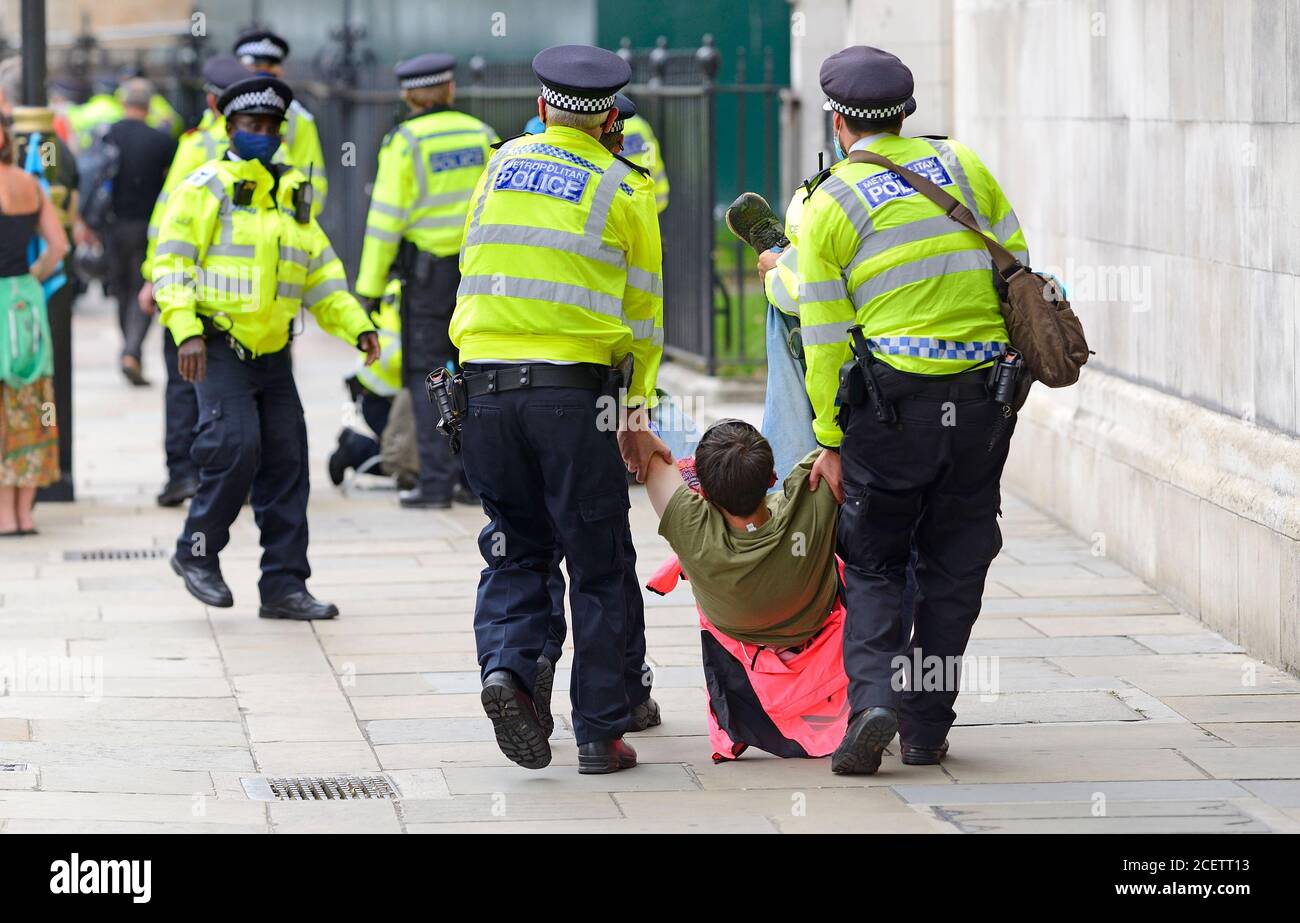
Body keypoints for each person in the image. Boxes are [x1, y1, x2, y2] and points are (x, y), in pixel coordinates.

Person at [795, 46, 1030, 774]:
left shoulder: (829, 201)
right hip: (982, 404)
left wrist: (830, 439)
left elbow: (827, 336)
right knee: (956, 561)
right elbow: (1016, 266)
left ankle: (872, 703)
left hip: (891, 411)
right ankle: (927, 728)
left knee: (872, 560)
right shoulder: (964, 165)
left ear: (838, 124)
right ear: (905, 114)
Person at [451, 44, 666, 774]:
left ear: (543, 109)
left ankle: (508, 670)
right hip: (573, 399)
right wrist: (637, 416)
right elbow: (644, 321)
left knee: (515, 542)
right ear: (610, 117)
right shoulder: (625, 189)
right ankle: (600, 734)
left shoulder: (498, 164)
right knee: (598, 560)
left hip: (480, 391)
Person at [153, 76, 379, 619]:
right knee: (235, 447)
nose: (263, 135)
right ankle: (196, 551)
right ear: (230, 128)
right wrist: (185, 329)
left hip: (275, 352)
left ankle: (283, 586)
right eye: (252, 126)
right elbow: (172, 263)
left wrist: (357, 326)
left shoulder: (292, 194)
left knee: (286, 463)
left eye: (271, 127)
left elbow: (321, 275)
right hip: (219, 345)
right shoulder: (205, 186)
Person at [139, 55, 294, 509]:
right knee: (186, 377)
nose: (262, 133)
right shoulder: (199, 147)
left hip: (256, 301)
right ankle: (186, 472)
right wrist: (157, 276)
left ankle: (210, 473)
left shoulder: (258, 139)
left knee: (209, 390)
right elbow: (170, 218)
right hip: (194, 295)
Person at [354, 52, 495, 509]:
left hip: (429, 279)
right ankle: (476, 483)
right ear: (450, 90)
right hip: (479, 273)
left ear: (407, 96)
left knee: (430, 376)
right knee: (478, 371)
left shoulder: (405, 142)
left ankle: (435, 483)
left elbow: (384, 222)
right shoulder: (482, 134)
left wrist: (370, 288)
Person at [0, 112, 68, 534]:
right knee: (34, 399)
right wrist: (31, 279)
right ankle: (24, 513)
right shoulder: (30, 185)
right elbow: (58, 245)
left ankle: (3, 515)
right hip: (25, 301)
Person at [95, 78, 175, 387]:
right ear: (149, 105)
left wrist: (88, 223)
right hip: (149, 226)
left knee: (122, 291)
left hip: (113, 225)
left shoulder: (109, 135)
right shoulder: (162, 140)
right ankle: (132, 350)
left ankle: (129, 350)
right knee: (144, 289)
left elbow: (93, 178)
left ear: (123, 102)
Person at [232, 30, 328, 208]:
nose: (263, 74)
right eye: (256, 68)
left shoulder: (300, 120)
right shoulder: (222, 114)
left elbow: (314, 189)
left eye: (270, 67)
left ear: (279, 72)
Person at [327, 279, 406, 486]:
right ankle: (353, 448)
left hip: (391, 394)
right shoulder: (401, 293)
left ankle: (353, 445)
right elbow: (389, 350)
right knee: (403, 459)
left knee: (415, 454)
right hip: (379, 397)